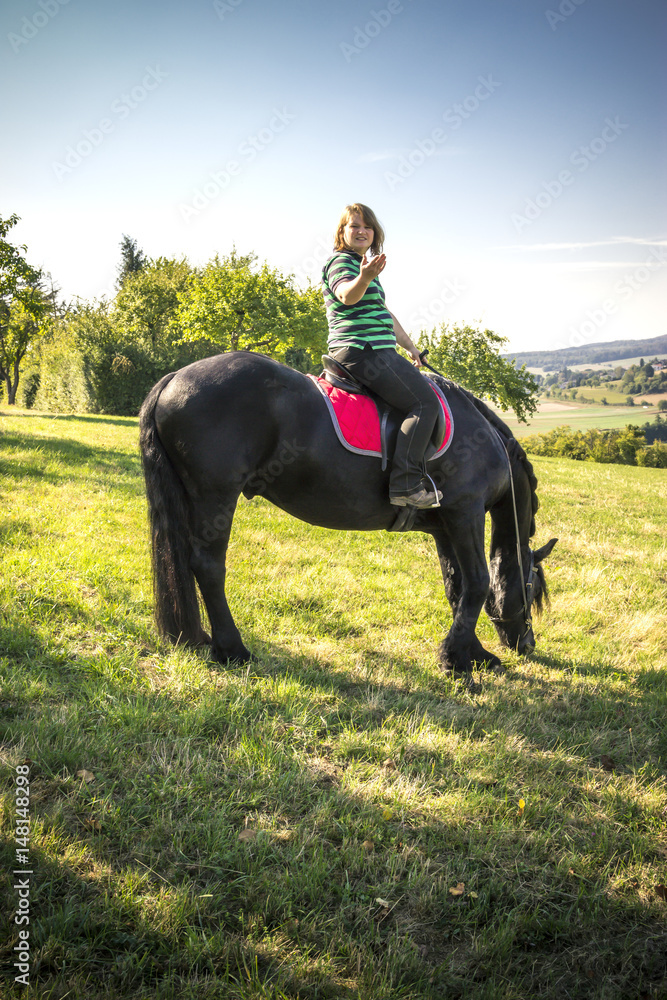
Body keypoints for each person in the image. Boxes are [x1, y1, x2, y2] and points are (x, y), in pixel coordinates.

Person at [321, 203, 442, 508]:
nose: (361, 231)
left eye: (367, 226)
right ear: (342, 232)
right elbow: (347, 295)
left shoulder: (366, 268)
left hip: (377, 348)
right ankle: (406, 485)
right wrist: (363, 278)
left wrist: (411, 347)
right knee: (424, 402)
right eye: (354, 226)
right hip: (362, 350)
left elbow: (384, 314)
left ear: (374, 233)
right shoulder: (341, 263)